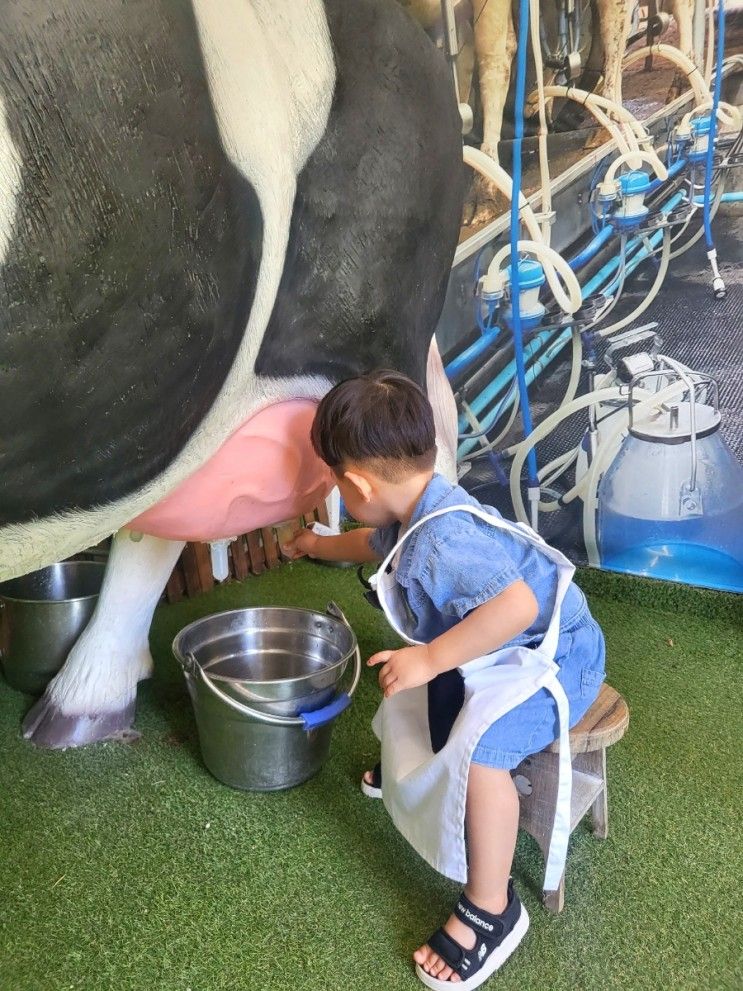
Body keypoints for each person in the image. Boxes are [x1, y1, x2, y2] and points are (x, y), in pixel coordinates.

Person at [283, 370, 606, 990]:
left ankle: (491, 908)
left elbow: (517, 608)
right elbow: (371, 546)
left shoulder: (442, 541)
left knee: (483, 752)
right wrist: (316, 546)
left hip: (557, 657)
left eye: (334, 481)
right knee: (413, 698)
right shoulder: (412, 505)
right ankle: (420, 776)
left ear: (357, 484)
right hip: (502, 650)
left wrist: (430, 659)